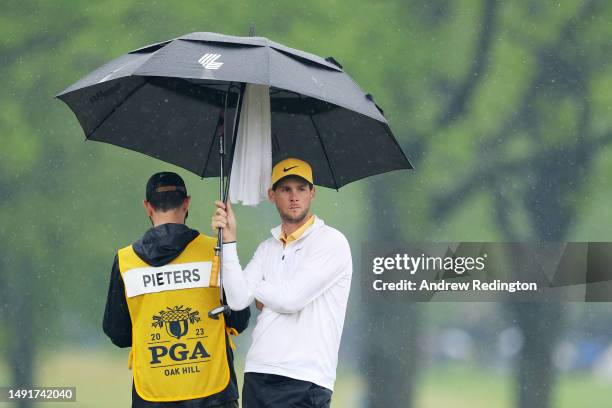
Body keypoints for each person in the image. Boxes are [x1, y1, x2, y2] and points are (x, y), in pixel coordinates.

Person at [211, 158, 352, 408]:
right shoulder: (267, 247)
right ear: (272, 195)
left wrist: (255, 287)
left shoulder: (331, 242)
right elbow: (237, 299)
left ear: (312, 193)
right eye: (286, 189)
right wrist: (230, 241)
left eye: (301, 188)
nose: (294, 196)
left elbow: (290, 300)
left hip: (305, 379)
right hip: (258, 372)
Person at [103, 171, 250, 408]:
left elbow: (118, 334)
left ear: (148, 207)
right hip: (212, 394)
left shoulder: (125, 261)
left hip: (153, 394)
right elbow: (240, 319)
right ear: (186, 203)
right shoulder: (216, 250)